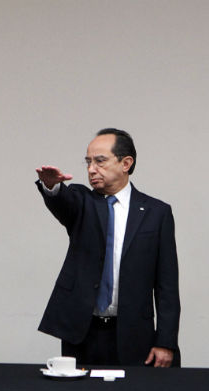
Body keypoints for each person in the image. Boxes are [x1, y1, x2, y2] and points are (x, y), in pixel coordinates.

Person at [35, 128, 180, 367]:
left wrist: (165, 341)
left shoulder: (157, 213)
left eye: (100, 161)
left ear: (126, 163)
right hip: (83, 332)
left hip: (134, 334)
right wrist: (52, 187)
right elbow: (63, 202)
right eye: (88, 162)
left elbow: (167, 285)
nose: (91, 169)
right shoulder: (83, 202)